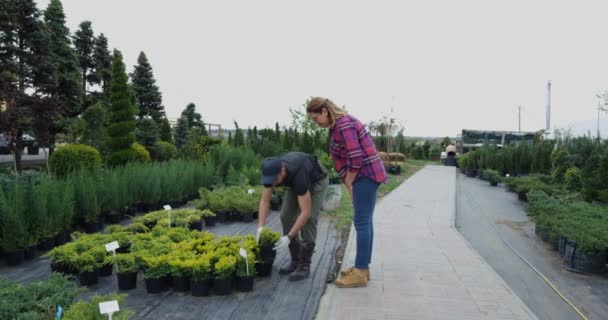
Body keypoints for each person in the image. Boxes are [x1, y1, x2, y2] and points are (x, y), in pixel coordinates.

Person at [307, 97, 388, 288]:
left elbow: (355, 157)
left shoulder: (343, 125)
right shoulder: (339, 125)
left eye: (315, 118)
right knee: (365, 221)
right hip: (365, 176)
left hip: (365, 176)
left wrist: (350, 182)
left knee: (361, 222)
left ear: (325, 111)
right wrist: (349, 183)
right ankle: (363, 268)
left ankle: (360, 272)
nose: (315, 122)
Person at [256, 152, 329, 281]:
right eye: (270, 181)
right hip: (296, 181)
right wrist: (260, 227)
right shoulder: (272, 171)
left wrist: (288, 237)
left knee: (309, 219)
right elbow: (264, 201)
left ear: (282, 171)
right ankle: (295, 260)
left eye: (274, 181)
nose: (272, 184)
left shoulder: (298, 174)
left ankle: (304, 265)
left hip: (317, 180)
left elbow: (305, 212)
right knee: (286, 216)